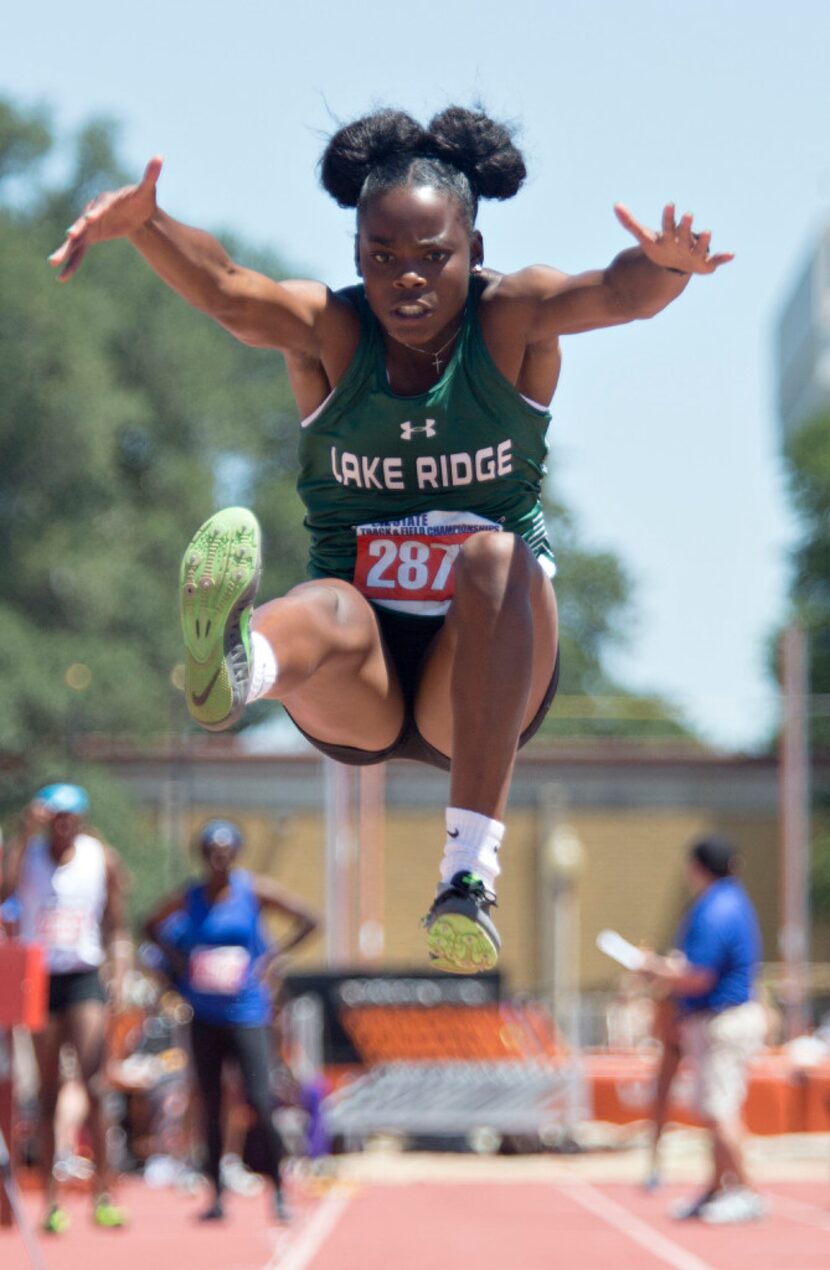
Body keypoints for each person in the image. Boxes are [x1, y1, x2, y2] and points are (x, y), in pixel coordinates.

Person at [49, 107, 732, 974]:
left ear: (474, 252)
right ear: (357, 259)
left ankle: (465, 879)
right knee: (322, 602)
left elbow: (616, 292)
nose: (406, 280)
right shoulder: (331, 334)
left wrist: (668, 267)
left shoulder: (512, 319)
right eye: (381, 259)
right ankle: (237, 666)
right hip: (359, 671)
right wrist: (146, 224)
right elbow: (227, 288)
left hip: (484, 670)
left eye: (432, 257)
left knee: (490, 555)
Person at [143, 818, 318, 1223]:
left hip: (247, 1012)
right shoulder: (191, 896)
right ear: (203, 855)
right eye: (211, 851)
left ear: (236, 853)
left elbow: (308, 919)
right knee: (209, 1101)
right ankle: (217, 1195)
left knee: (259, 1098)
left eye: (226, 851)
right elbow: (150, 926)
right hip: (204, 1013)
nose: (219, 858)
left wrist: (274, 959)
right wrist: (178, 962)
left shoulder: (252, 890)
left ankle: (278, 1193)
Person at [0, 784, 130, 1233]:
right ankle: (52, 1202)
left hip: (83, 974)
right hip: (38, 975)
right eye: (56, 818)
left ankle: (104, 1192)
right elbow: (4, 893)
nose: (64, 826)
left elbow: (116, 922)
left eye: (71, 817)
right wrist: (23, 828)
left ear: (81, 820)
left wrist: (120, 969)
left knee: (94, 1080)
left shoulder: (100, 857)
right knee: (49, 1088)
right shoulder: (29, 854)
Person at [642, 835, 766, 1224]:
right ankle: (717, 1188)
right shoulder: (732, 901)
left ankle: (745, 1190)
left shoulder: (715, 908)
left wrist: (654, 968)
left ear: (697, 867)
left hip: (722, 1021)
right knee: (715, 1107)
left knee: (720, 1109)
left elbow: (698, 975)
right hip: (721, 1019)